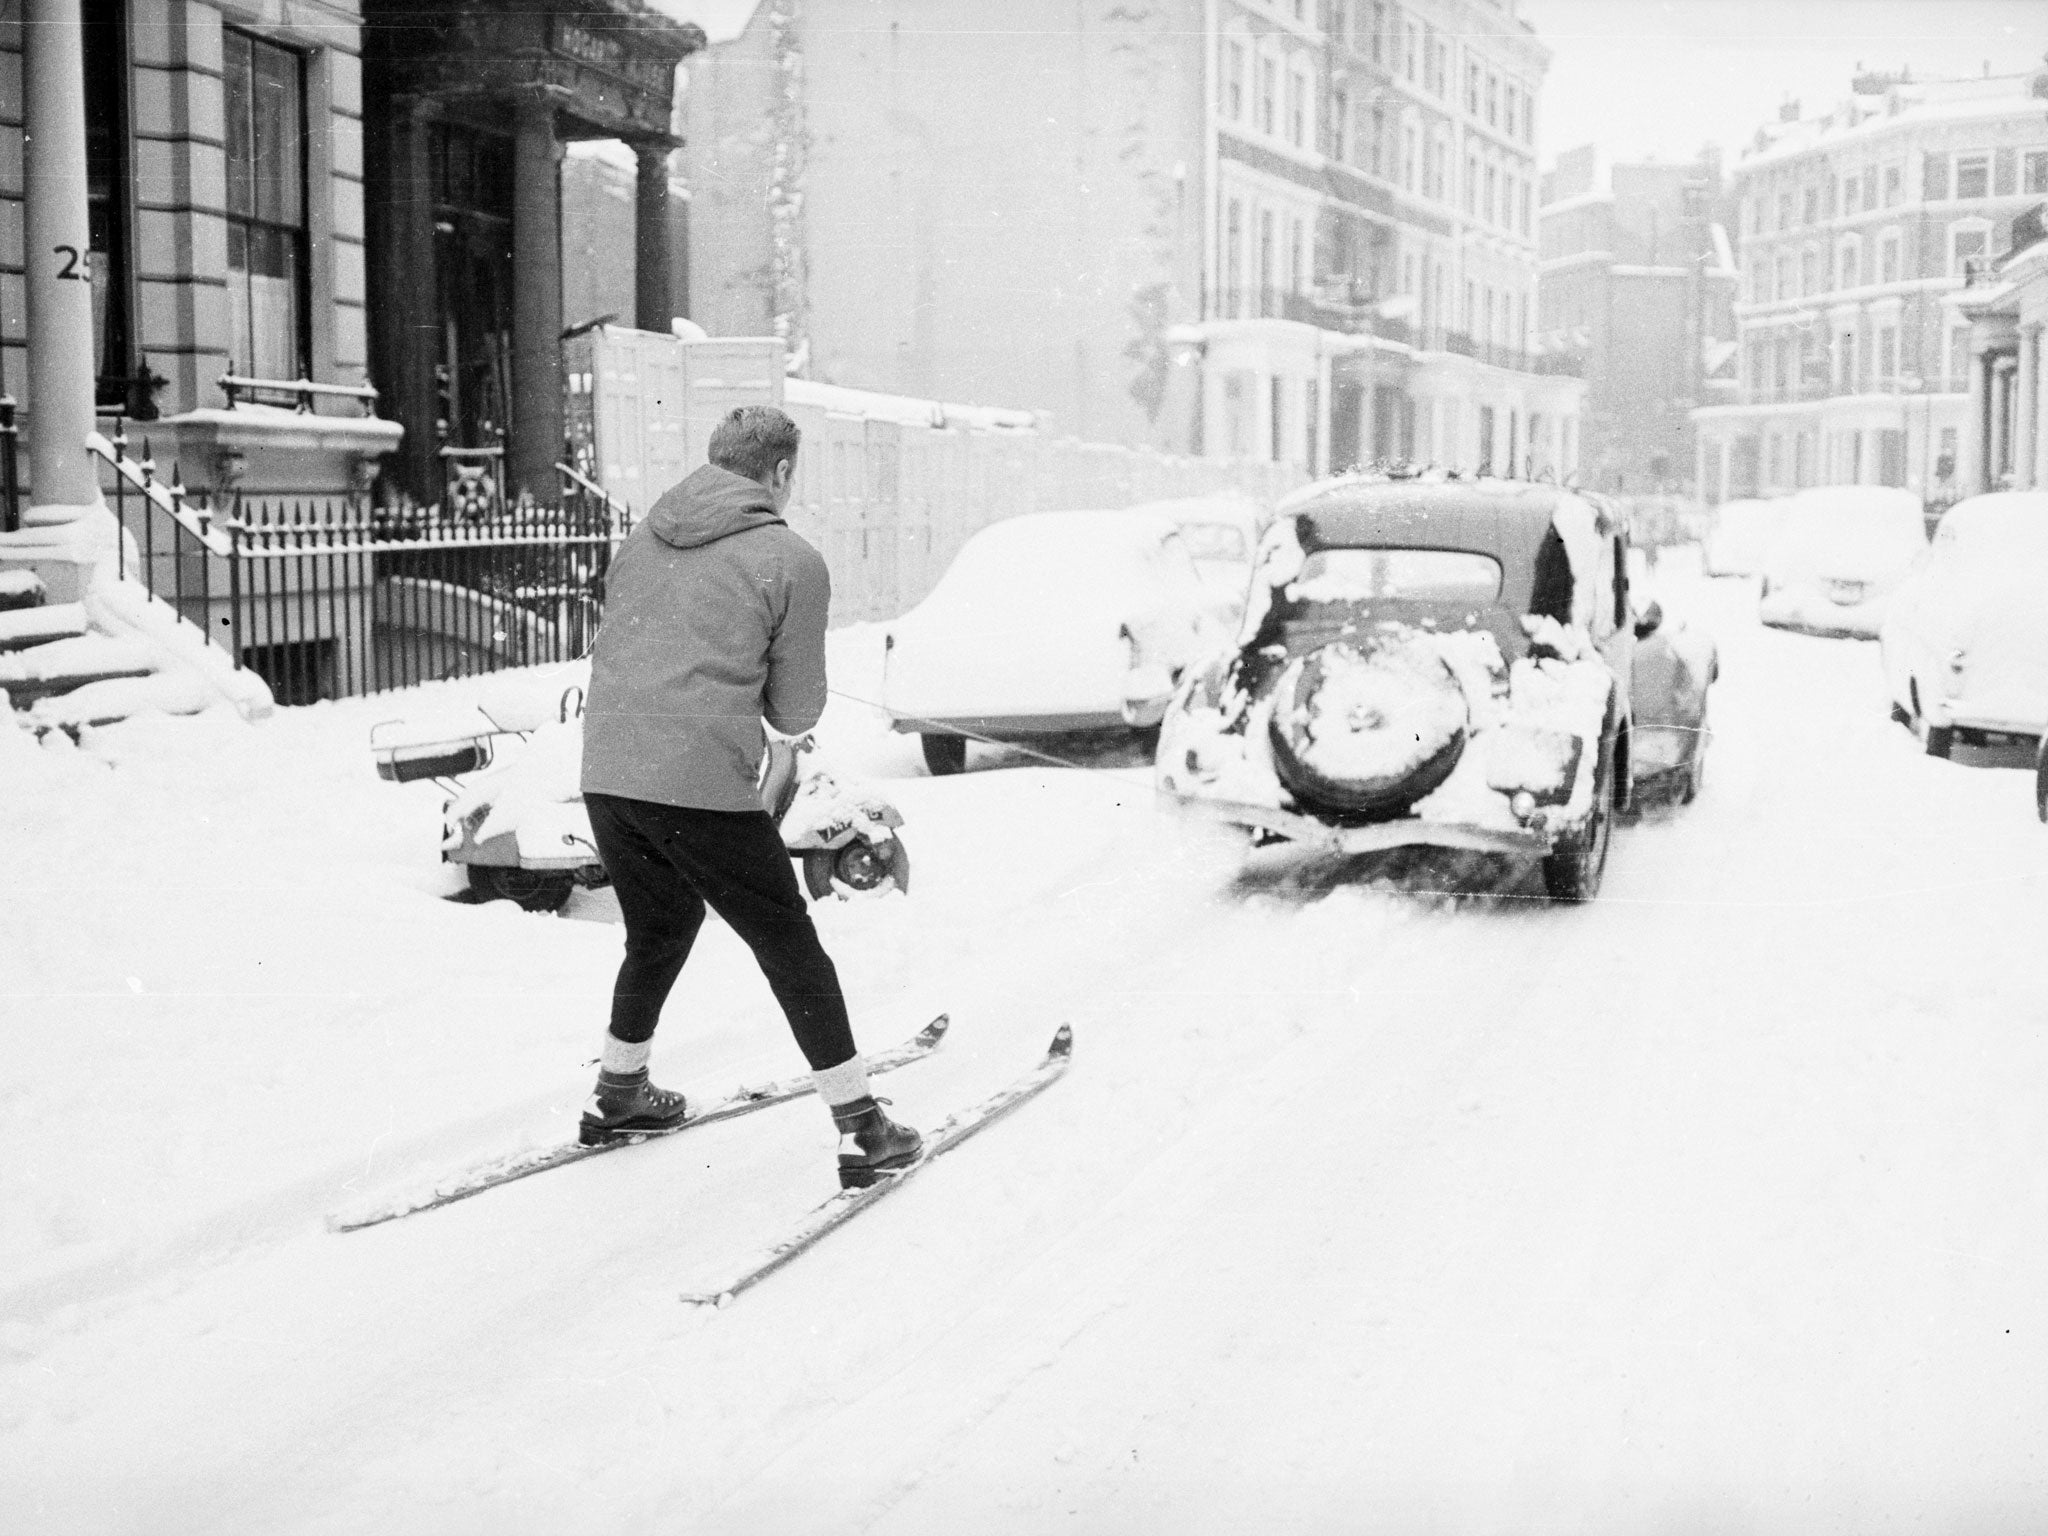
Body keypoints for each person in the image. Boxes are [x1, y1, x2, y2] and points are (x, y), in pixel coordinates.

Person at [576, 405, 922, 1188]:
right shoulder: (791, 559)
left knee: (660, 926)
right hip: (696, 780)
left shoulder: (642, 536)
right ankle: (864, 1129)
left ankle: (620, 1091)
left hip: (609, 772)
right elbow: (794, 715)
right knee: (789, 943)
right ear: (782, 472)